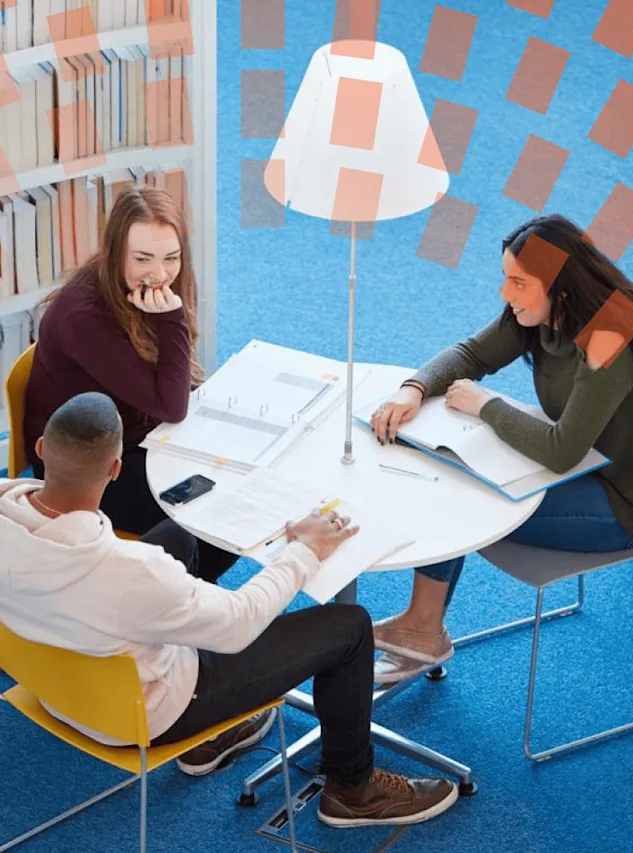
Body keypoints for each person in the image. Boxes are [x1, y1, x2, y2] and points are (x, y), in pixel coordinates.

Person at [0, 392, 459, 829]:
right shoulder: (131, 572)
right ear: (117, 467)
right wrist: (302, 551)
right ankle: (353, 789)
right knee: (350, 627)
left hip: (55, 684)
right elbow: (239, 623)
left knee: (177, 536)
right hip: (146, 710)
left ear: (41, 448)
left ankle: (222, 732)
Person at [370, 213, 633, 684]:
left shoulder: (610, 332)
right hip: (580, 465)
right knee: (452, 469)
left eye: (518, 282)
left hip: (621, 500)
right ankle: (422, 627)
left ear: (562, 288)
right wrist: (413, 387)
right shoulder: (538, 315)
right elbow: (471, 354)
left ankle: (423, 630)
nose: (506, 294)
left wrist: (487, 404)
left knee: (463, 495)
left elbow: (561, 452)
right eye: (505, 279)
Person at [23, 187, 235, 582]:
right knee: (215, 516)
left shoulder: (142, 287)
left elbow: (172, 391)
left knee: (234, 482)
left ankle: (184, 590)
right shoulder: (83, 317)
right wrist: (171, 319)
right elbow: (170, 406)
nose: (159, 273)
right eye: (142, 258)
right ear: (116, 251)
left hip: (136, 434)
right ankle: (176, 598)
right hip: (86, 468)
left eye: (171, 257)